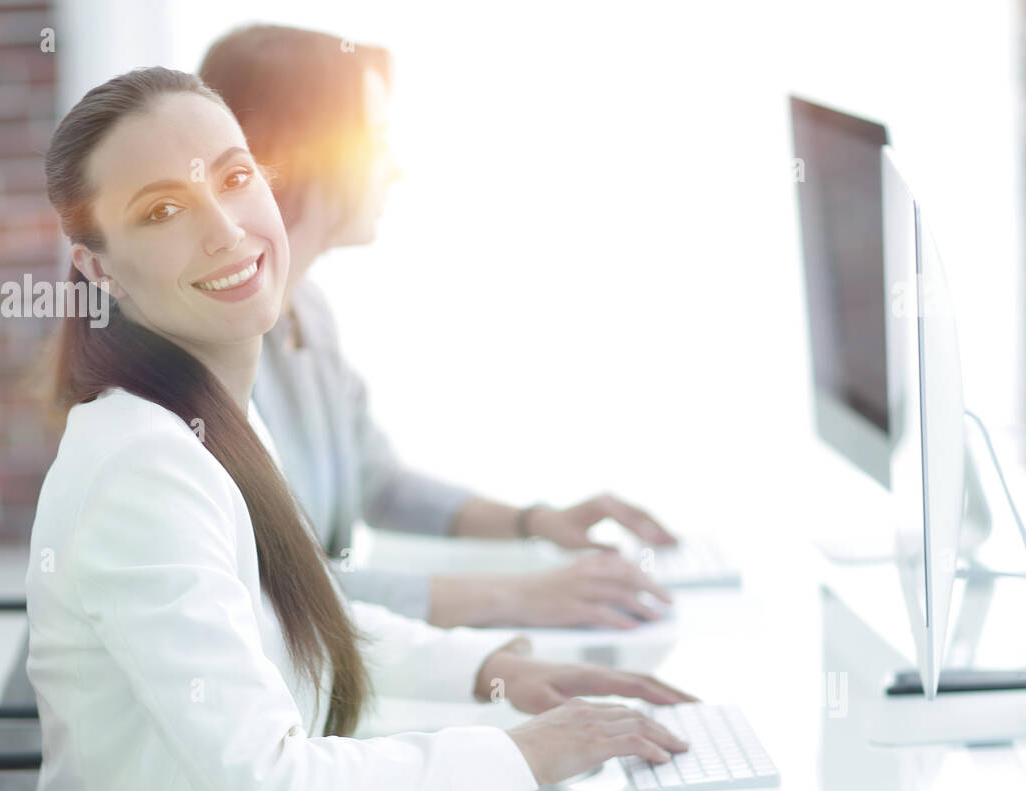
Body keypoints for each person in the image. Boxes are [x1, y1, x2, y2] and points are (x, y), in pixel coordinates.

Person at [4, 67, 693, 791]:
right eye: (163, 211)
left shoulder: (208, 416)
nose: (225, 229)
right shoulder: (142, 472)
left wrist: (491, 669)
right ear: (101, 272)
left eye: (235, 176)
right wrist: (528, 752)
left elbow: (303, 622)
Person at [198, 25, 681, 631]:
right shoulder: (215, 357)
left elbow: (381, 485)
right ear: (308, 150)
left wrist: (532, 522)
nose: (394, 169)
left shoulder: (306, 308)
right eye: (376, 141)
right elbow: (287, 598)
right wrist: (520, 597)